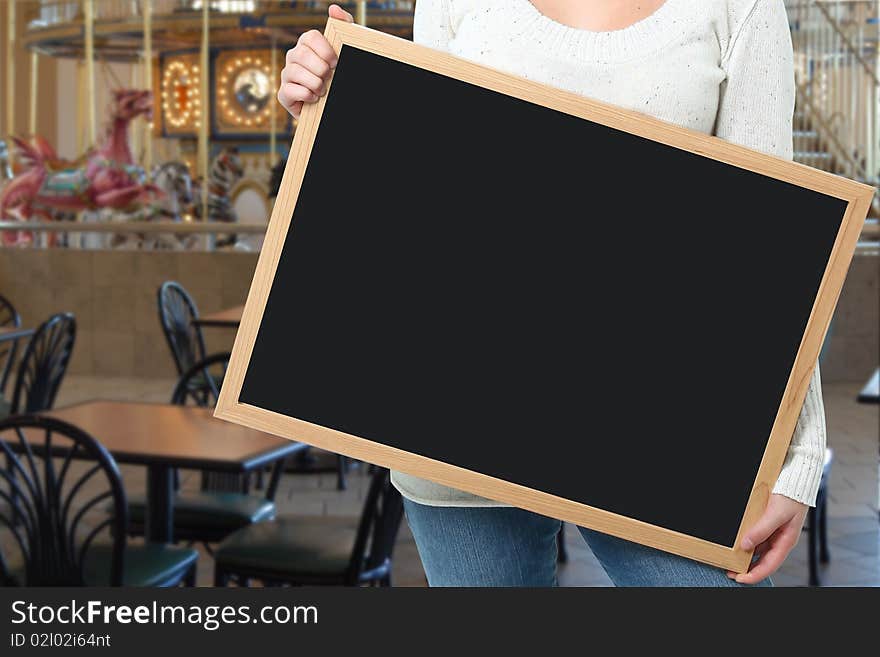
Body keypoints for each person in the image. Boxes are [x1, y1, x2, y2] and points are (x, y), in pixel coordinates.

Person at [277, 1, 826, 586]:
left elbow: (782, 242)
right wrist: (333, 108)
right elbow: (420, 193)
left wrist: (797, 461)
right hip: (453, 420)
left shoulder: (740, 7)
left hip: (661, 436)